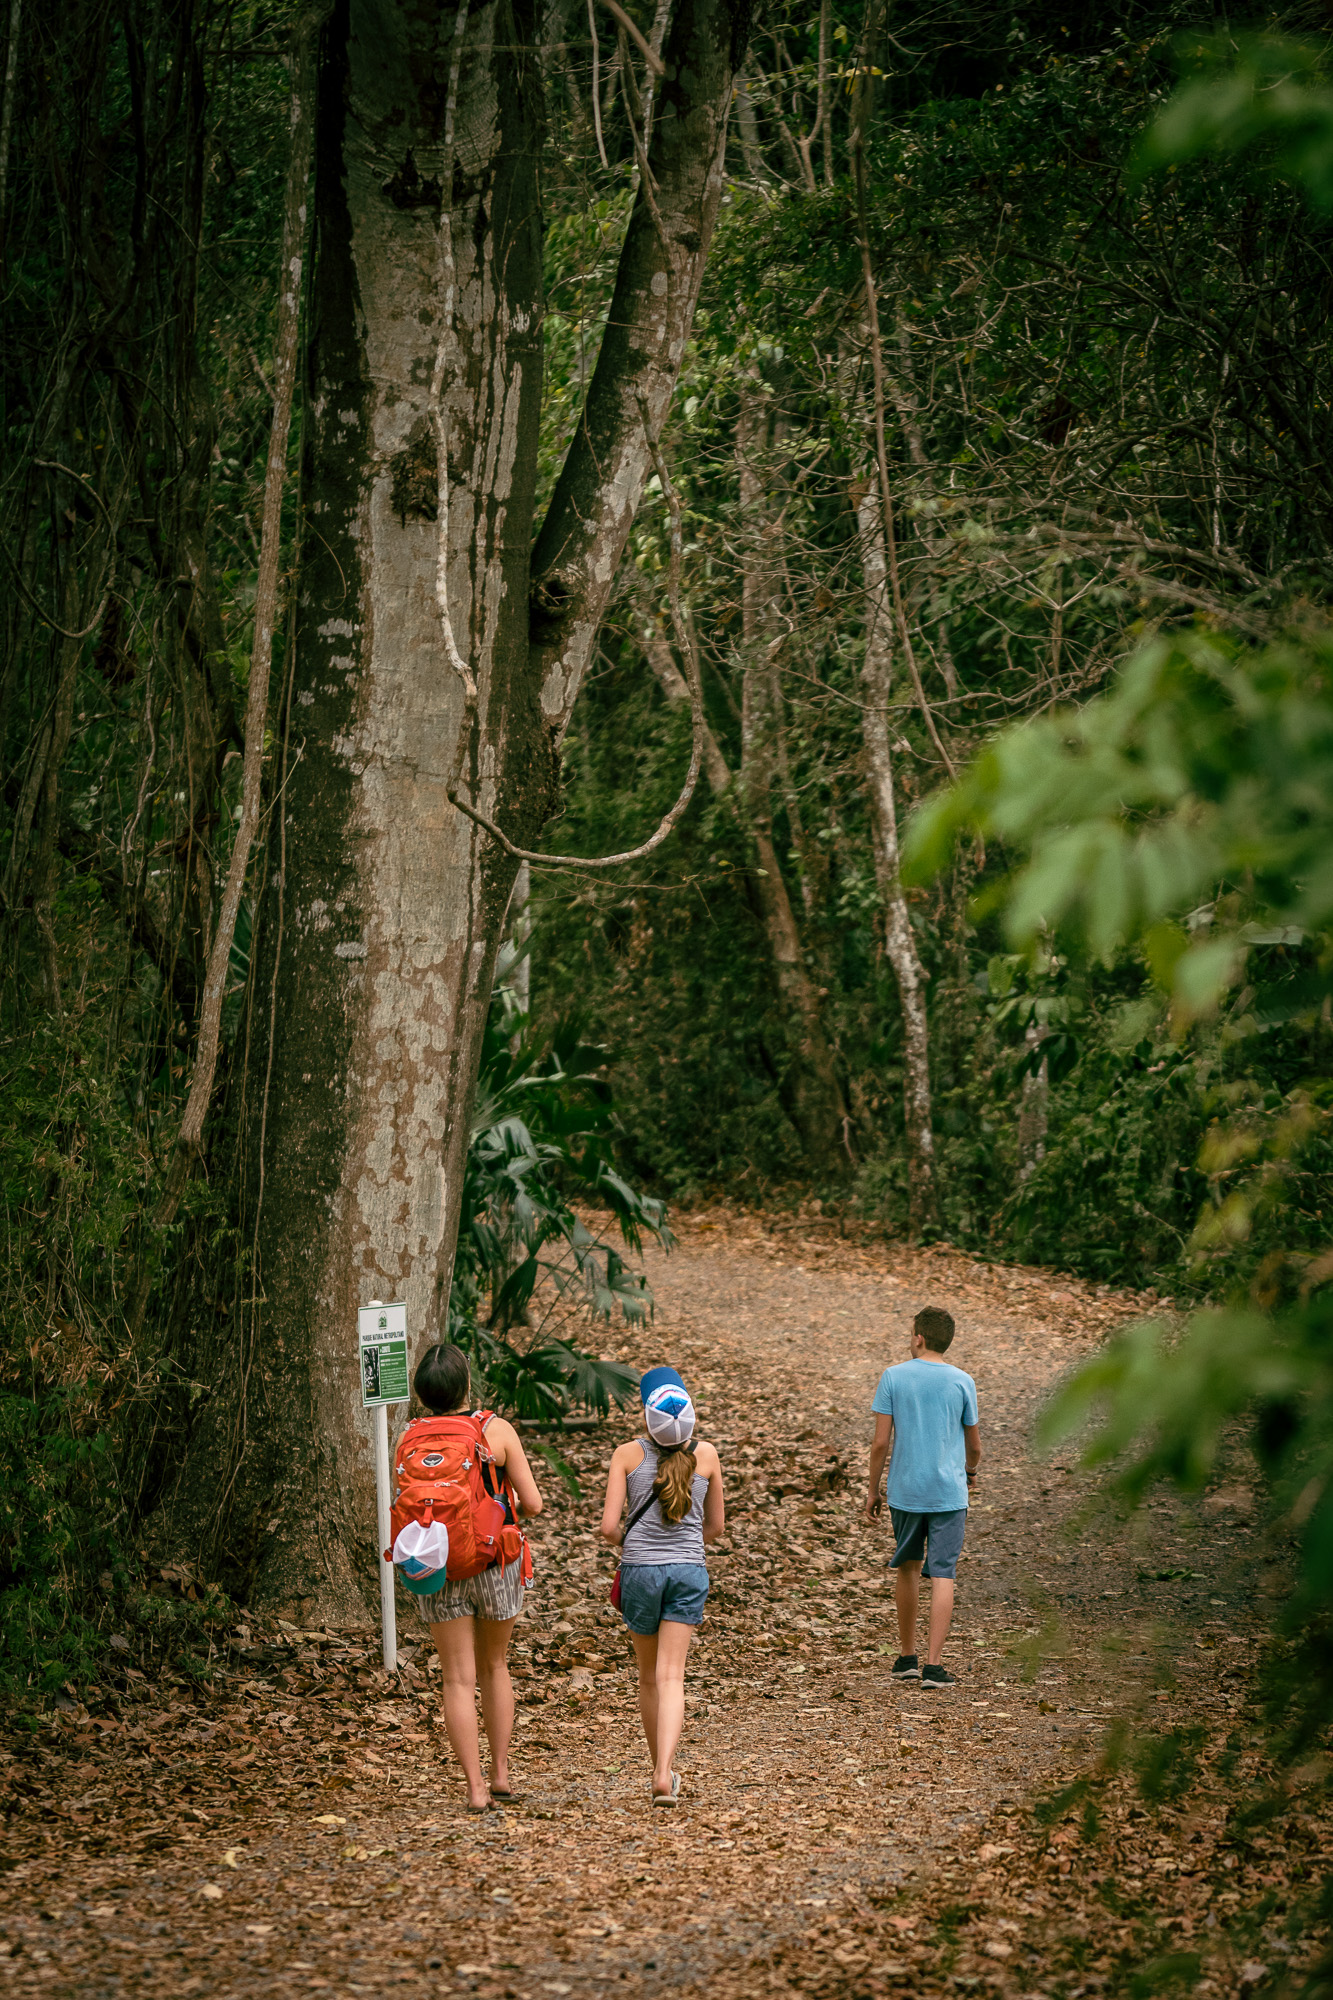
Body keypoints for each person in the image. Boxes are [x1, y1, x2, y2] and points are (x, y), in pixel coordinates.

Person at [409, 1342, 543, 1810]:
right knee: (494, 1666)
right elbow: (533, 1503)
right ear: (468, 1385)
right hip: (493, 1561)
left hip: (436, 1565)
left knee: (457, 1678)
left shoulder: (409, 1437)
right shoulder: (495, 1430)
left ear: (423, 1393)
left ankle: (474, 1787)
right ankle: (502, 1771)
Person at [600, 1365, 725, 1806]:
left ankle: (658, 1768)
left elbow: (609, 1527)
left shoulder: (626, 1455)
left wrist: (633, 1541)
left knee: (649, 1678)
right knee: (673, 1676)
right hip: (689, 1571)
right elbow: (715, 1526)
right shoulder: (706, 1456)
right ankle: (664, 1773)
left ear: (646, 1414)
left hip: (640, 1572)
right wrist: (684, 1540)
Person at [863, 1304, 981, 1689]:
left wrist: (873, 1489)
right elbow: (974, 1447)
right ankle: (934, 1666)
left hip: (906, 1491)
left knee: (909, 1567)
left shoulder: (893, 1377)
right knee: (943, 1573)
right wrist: (969, 1473)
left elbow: (881, 1442)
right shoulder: (963, 1381)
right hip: (949, 1492)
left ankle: (906, 1657)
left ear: (918, 1337)